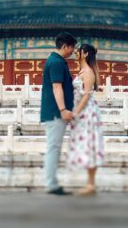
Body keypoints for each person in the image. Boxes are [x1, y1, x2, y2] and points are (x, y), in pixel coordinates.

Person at [40, 31, 77, 195]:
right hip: (56, 112)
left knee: (53, 147)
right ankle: (52, 184)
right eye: (72, 47)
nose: (73, 51)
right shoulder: (56, 62)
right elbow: (57, 87)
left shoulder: (57, 61)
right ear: (65, 46)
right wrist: (63, 110)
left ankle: (52, 183)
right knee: (53, 147)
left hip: (55, 112)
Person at [66, 43, 104, 196]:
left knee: (90, 145)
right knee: (86, 145)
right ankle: (90, 184)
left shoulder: (88, 72)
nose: (76, 53)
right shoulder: (83, 71)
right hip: (83, 112)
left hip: (87, 113)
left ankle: (91, 184)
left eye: (78, 51)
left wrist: (75, 112)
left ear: (86, 54)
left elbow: (87, 94)